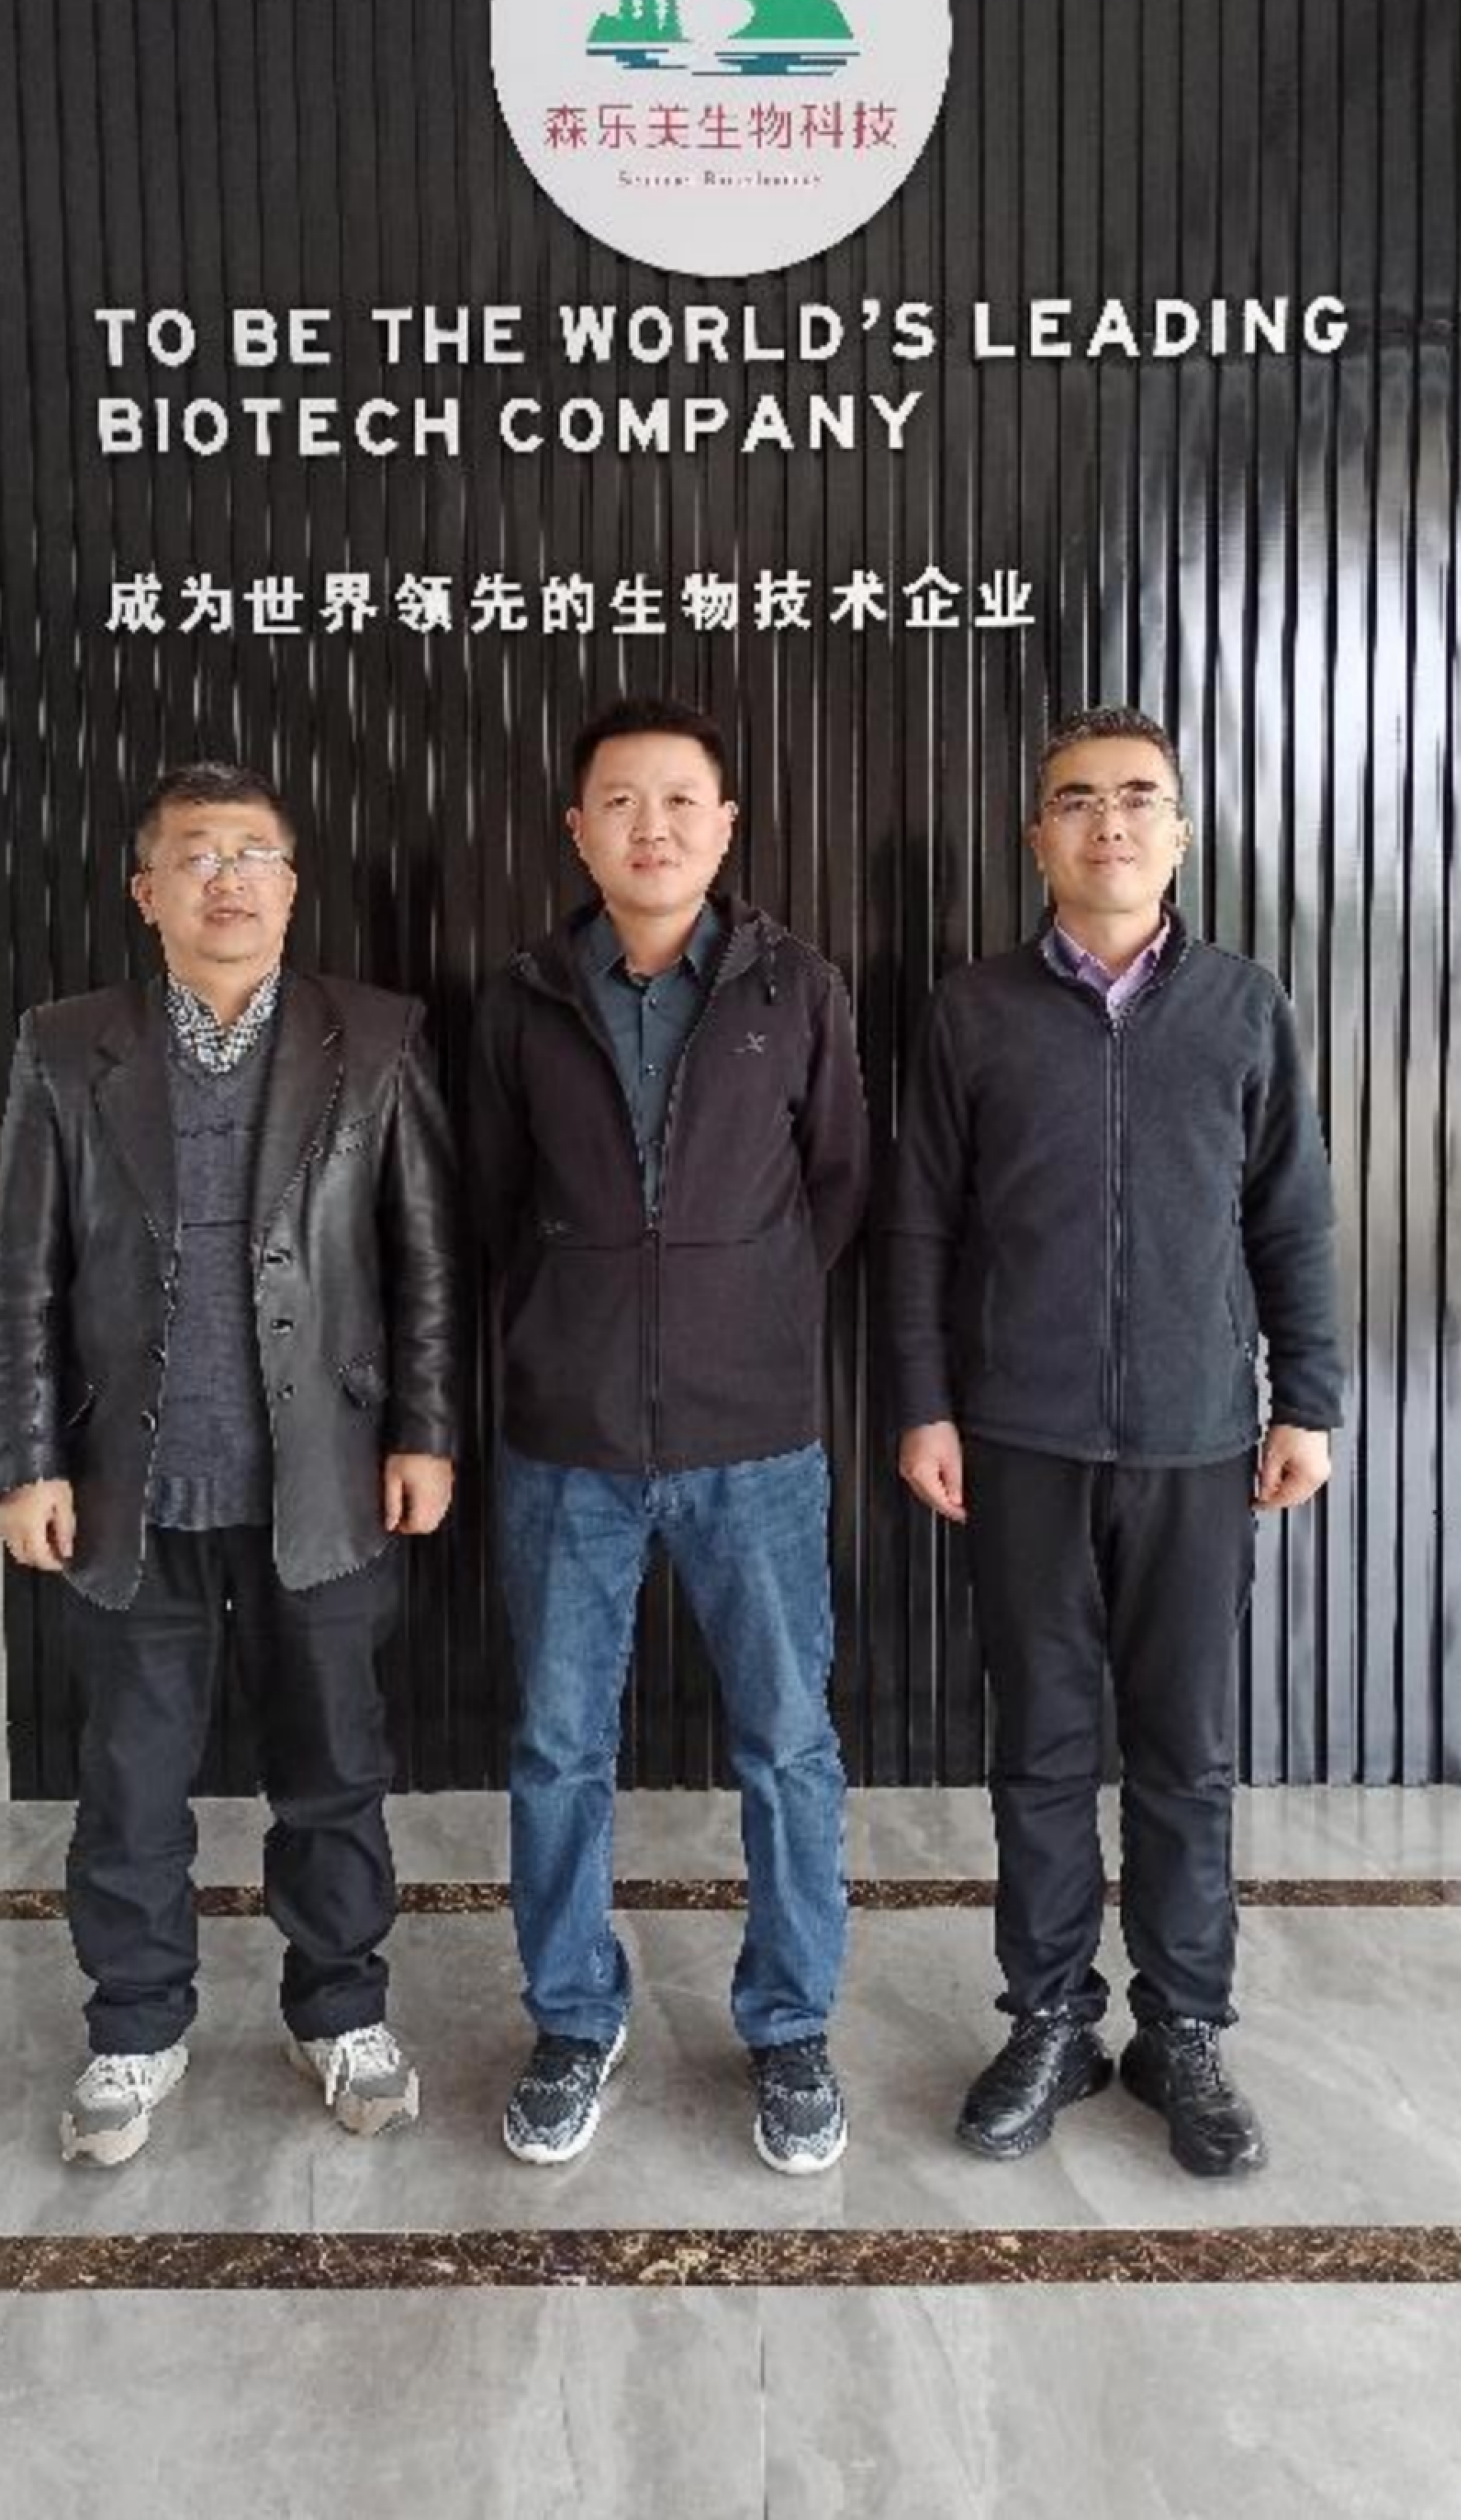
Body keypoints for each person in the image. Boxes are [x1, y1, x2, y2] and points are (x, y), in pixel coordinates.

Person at [0, 760, 458, 2167]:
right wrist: (23, 1459)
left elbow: (426, 1262)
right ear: (148, 891)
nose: (227, 878)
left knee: (334, 1772)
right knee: (131, 1785)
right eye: (196, 855)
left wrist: (425, 1431)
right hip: (130, 1491)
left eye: (253, 853)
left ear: (292, 887)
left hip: (325, 1478)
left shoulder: (377, 1038)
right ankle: (135, 2027)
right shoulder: (67, 1047)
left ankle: (341, 2009)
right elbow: (21, 1273)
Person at [889, 707, 1342, 2177]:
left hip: (1198, 1438)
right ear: (1037, 837)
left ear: (1181, 833)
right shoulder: (973, 1011)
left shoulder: (1244, 1007)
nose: (1110, 823)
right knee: (1038, 1743)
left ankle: (1183, 2029)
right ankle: (1049, 2020)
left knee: (1185, 1753)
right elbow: (920, 1226)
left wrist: (1307, 1400)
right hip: (1016, 1435)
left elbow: (1292, 1217)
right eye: (1077, 800)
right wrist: (923, 1400)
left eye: (1139, 798)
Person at [469, 698, 869, 2175]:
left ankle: (791, 2027)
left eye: (681, 800)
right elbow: (490, 1206)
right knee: (557, 1748)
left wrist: (740, 1313)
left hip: (753, 1441)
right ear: (577, 831)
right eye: (621, 802)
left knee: (788, 1744)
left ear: (725, 824)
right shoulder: (520, 1001)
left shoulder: (794, 989)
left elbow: (838, 1186)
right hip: (564, 1443)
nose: (653, 827)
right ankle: (574, 2017)